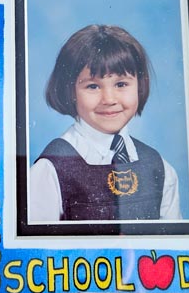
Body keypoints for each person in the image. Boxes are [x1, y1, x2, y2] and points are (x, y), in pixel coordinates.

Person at [29, 24, 181, 222]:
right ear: (70, 91)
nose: (109, 99)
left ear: (139, 85)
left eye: (121, 84)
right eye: (93, 86)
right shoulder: (50, 170)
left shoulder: (158, 167)